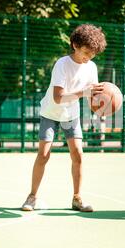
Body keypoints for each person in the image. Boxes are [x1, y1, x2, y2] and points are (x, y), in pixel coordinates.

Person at [21, 24, 107, 212]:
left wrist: (104, 101)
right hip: (51, 112)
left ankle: (77, 198)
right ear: (75, 45)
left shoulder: (91, 67)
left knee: (78, 154)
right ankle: (32, 196)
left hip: (71, 114)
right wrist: (85, 92)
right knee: (44, 155)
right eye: (86, 52)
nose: (88, 58)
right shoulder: (62, 64)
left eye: (92, 54)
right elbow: (58, 97)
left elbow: (92, 94)